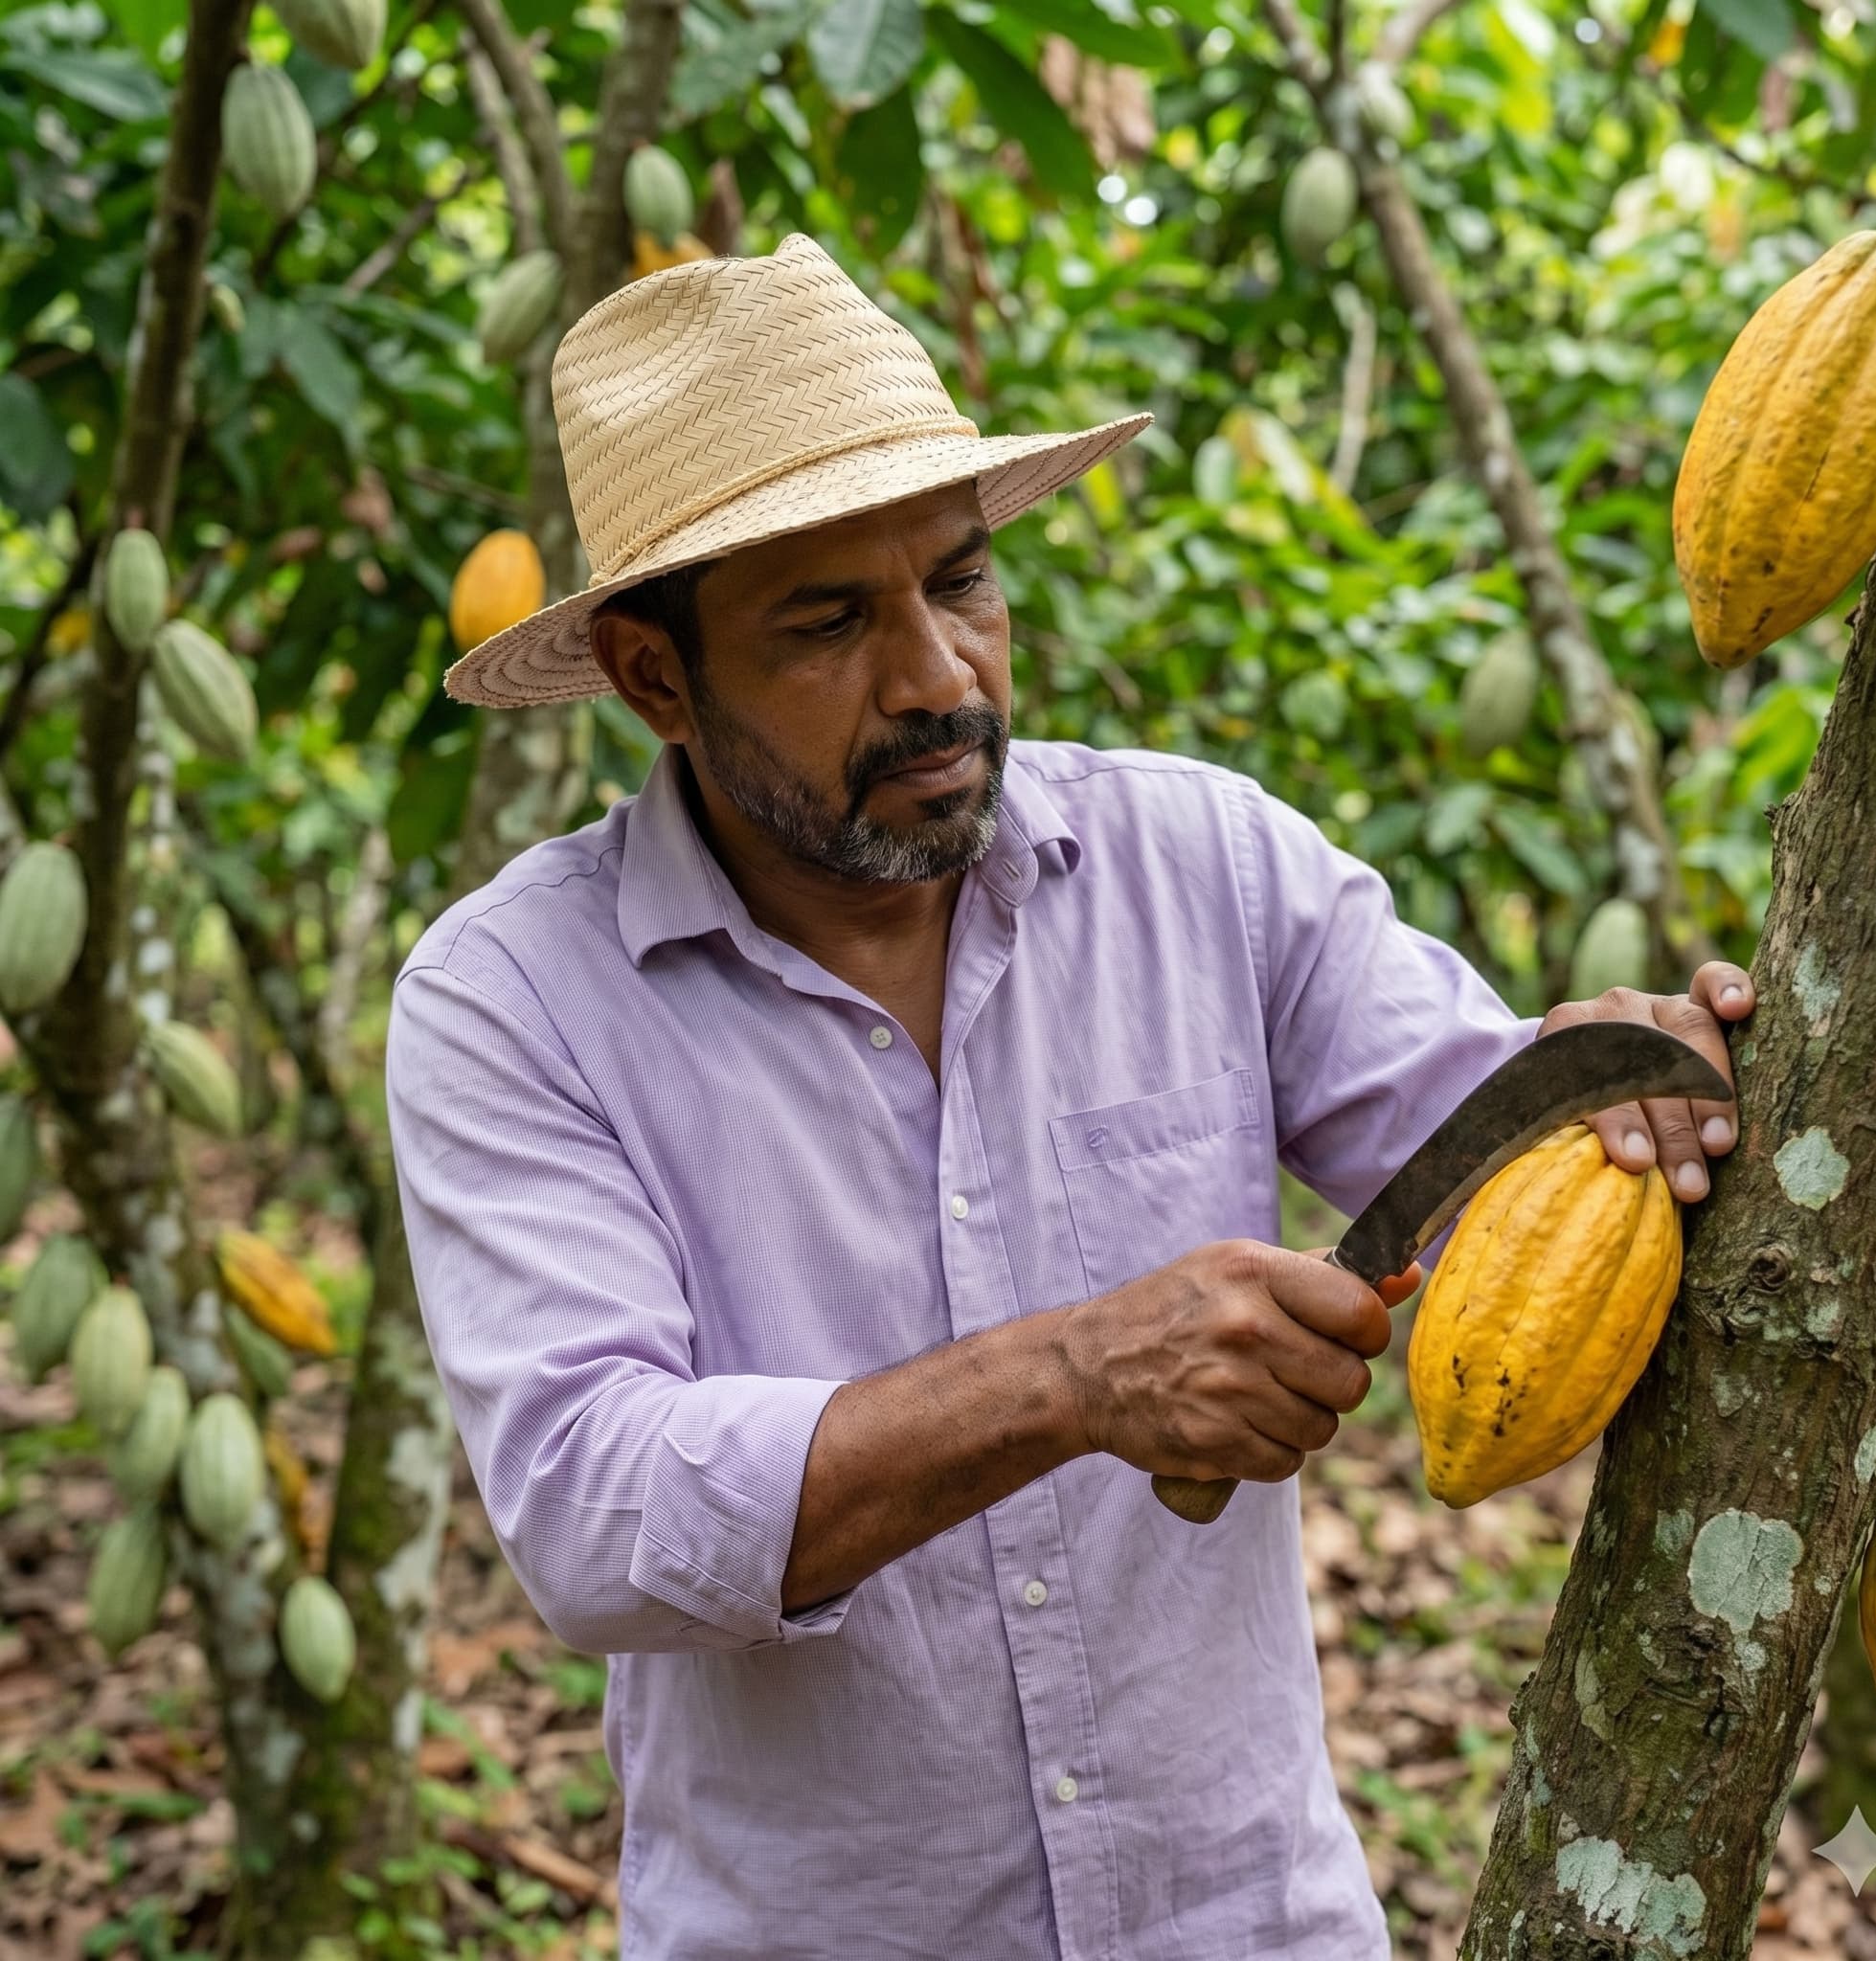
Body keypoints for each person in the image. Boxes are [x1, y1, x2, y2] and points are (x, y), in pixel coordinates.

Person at [386, 233, 1751, 1960]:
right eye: (829, 622)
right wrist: (1076, 1376)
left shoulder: (1208, 865)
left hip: (1248, 1925)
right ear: (660, 679)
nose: (940, 676)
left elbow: (1503, 1160)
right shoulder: (515, 1002)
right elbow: (598, 1514)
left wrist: (1627, 1100)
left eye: (960, 582)